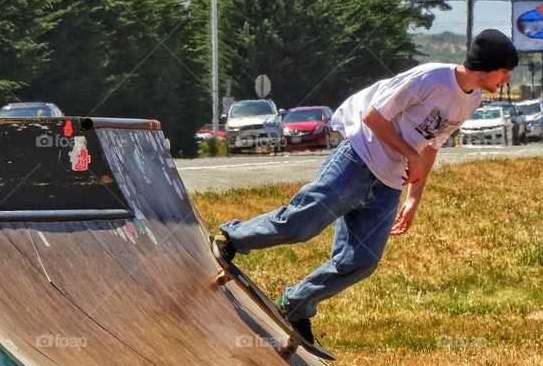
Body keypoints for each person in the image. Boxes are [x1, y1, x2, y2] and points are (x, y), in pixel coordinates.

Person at [213, 29, 519, 344]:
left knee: (361, 261)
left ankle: (296, 305)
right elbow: (374, 118)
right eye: (505, 71)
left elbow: (431, 145)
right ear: (487, 66)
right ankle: (232, 238)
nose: (507, 78)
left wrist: (413, 198)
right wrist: (410, 155)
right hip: (358, 158)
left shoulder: (472, 100)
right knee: (302, 224)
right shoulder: (429, 78)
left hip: (389, 182)